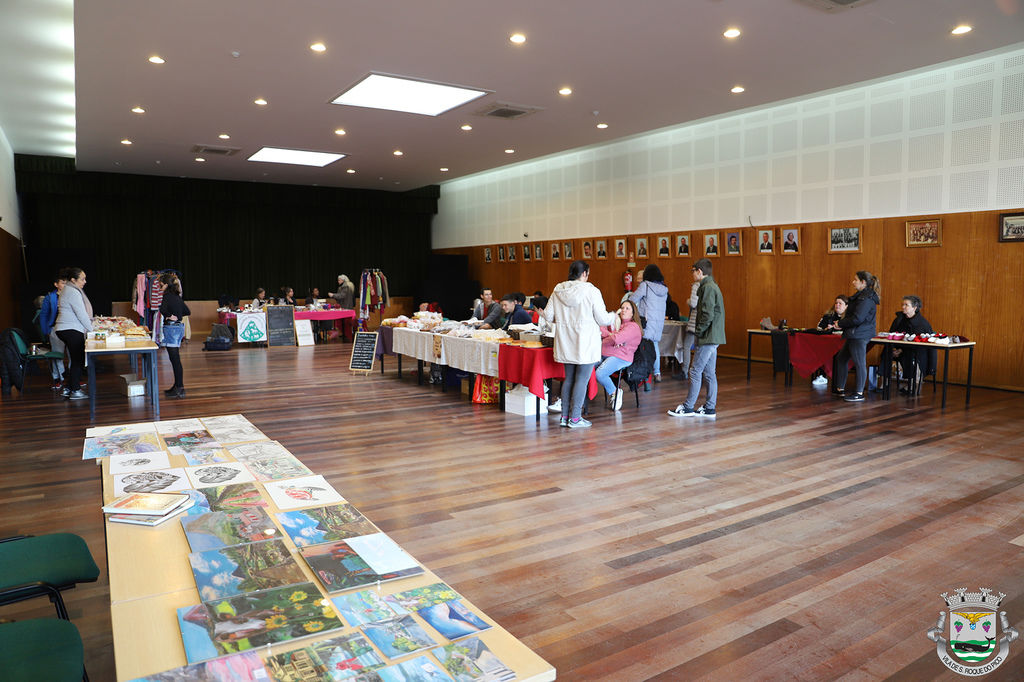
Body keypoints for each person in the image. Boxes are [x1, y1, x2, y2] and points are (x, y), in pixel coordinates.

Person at [543, 260, 616, 428]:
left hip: (565, 340)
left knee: (569, 379)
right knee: (581, 380)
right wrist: (614, 315)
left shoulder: (558, 290)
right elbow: (603, 319)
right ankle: (575, 418)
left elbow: (548, 315)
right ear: (584, 274)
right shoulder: (592, 291)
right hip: (586, 341)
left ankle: (564, 417)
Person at [668, 258, 724, 418]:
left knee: (695, 371)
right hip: (714, 336)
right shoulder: (712, 286)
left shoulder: (706, 287)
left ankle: (688, 407)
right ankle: (709, 408)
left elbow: (707, 314)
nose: (692, 274)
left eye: (693, 271)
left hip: (707, 336)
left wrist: (699, 331)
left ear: (699, 271)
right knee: (709, 373)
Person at [829, 271, 880, 402]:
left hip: (859, 334)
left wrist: (840, 323)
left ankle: (859, 393)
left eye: (855, 280)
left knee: (859, 363)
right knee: (841, 358)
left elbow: (857, 318)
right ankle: (840, 388)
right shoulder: (861, 296)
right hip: (854, 333)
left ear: (863, 282)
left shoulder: (866, 299)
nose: (853, 282)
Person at [53, 267, 92, 400]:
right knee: (78, 361)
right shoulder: (73, 292)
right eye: (82, 279)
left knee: (76, 360)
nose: (85, 281)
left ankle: (69, 388)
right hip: (70, 329)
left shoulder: (68, 290)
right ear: (73, 280)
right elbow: (81, 314)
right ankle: (75, 390)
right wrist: (92, 330)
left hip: (64, 328)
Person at [596, 300, 642, 411]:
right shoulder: (617, 323)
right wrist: (611, 335)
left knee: (600, 374)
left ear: (633, 313)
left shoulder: (633, 327)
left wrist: (611, 337)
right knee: (585, 366)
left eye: (627, 308)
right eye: (622, 308)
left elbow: (618, 338)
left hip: (621, 357)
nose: (623, 310)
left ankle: (615, 392)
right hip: (605, 353)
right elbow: (599, 329)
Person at [887, 295, 934, 394]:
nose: (903, 307)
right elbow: (892, 333)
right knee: (886, 353)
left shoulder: (922, 323)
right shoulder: (899, 319)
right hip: (900, 348)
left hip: (916, 352)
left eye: (906, 305)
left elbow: (919, 343)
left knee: (911, 356)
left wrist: (901, 350)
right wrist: (894, 349)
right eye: (902, 304)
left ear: (914, 308)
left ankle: (913, 384)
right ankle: (884, 383)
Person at [630, 264, 669, 383]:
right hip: (658, 322)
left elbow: (632, 300)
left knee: (643, 346)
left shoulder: (645, 285)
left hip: (646, 321)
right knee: (655, 345)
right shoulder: (664, 289)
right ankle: (657, 373)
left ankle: (643, 372)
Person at [158, 272, 190, 398]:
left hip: (171, 328)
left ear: (166, 285)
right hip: (178, 328)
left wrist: (169, 315)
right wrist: (178, 315)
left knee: (175, 360)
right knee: (175, 359)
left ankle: (180, 388)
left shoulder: (167, 296)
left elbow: (162, 310)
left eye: (161, 285)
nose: (160, 288)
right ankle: (177, 386)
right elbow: (187, 311)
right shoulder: (177, 296)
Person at [811, 295, 849, 386]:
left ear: (846, 306)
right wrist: (827, 329)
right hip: (827, 344)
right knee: (820, 350)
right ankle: (822, 376)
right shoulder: (829, 315)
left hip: (843, 346)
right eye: (836, 303)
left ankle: (838, 378)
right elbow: (819, 328)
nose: (837, 305)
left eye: (840, 303)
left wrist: (837, 329)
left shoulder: (849, 318)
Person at [39, 269, 67, 389]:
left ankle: (73, 378)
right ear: (56, 284)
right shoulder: (50, 297)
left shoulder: (73, 295)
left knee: (73, 354)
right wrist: (46, 330)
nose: (65, 285)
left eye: (67, 282)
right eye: (62, 282)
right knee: (57, 354)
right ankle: (59, 378)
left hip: (71, 328)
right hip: (55, 328)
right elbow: (44, 315)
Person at [676, 270, 700, 379]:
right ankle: (699, 371)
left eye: (693, 271)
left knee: (686, 346)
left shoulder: (696, 285)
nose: (692, 274)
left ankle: (685, 371)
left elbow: (694, 303)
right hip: (701, 322)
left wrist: (688, 300)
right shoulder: (709, 284)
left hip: (695, 320)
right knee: (700, 347)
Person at [329, 274, 356, 341]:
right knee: (346, 323)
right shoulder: (349, 286)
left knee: (345, 323)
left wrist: (333, 295)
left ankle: (347, 336)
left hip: (345, 307)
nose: (338, 281)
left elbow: (341, 296)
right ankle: (346, 335)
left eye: (339, 280)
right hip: (348, 306)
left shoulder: (345, 287)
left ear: (343, 280)